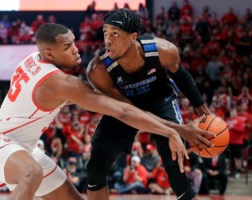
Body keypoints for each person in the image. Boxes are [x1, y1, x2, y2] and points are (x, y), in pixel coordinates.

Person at [0, 23, 194, 200]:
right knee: (32, 173)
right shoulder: (60, 83)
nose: (76, 50)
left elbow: (66, 97)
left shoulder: (34, 59)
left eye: (74, 43)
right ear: (50, 55)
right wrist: (173, 130)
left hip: (24, 148)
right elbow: (123, 113)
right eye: (67, 47)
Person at [86, 9, 214, 200]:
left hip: (160, 100)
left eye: (115, 33)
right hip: (126, 107)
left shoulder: (164, 51)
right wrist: (180, 129)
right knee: (95, 167)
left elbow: (182, 77)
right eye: (105, 32)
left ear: (133, 38)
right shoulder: (98, 70)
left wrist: (205, 113)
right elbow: (130, 112)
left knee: (174, 166)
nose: (107, 40)